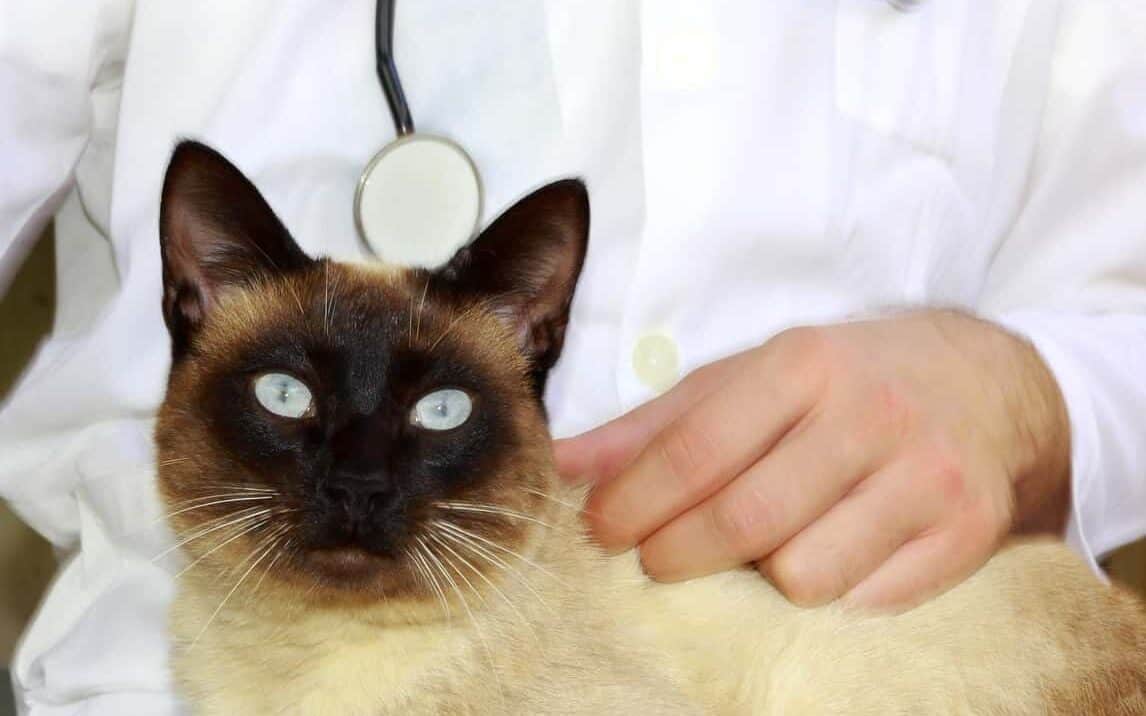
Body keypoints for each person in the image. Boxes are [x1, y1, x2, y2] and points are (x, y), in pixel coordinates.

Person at [2, 2, 1145, 713]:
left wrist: (1035, 392)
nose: (354, 472)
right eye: (289, 398)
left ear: (534, 333)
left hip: (933, 625)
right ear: (190, 297)